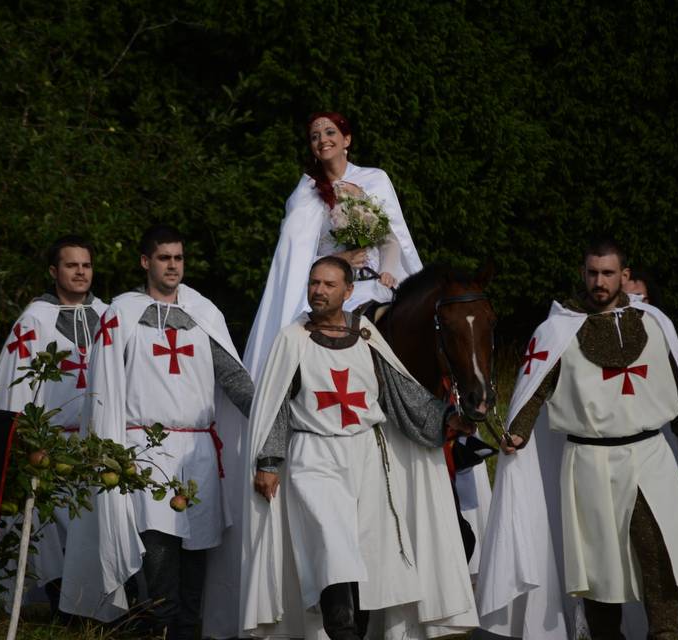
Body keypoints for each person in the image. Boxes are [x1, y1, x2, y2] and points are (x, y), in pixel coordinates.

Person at [476, 239, 678, 639]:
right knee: (597, 566)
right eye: (592, 273)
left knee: (660, 554)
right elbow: (537, 385)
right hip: (588, 462)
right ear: (582, 274)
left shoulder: (655, 323)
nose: (599, 282)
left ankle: (666, 633)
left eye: (607, 273)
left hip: (649, 456)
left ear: (624, 275)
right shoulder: (558, 330)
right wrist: (517, 431)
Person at [240, 256, 479, 640]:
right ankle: (343, 633)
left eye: (329, 285)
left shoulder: (366, 335)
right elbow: (277, 405)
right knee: (333, 552)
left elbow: (400, 391)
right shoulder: (292, 339)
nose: (318, 290)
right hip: (313, 458)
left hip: (367, 458)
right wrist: (268, 460)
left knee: (366, 558)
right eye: (314, 283)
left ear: (348, 292)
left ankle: (358, 631)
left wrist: (445, 418)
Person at [58, 225, 254, 639]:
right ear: (146, 262)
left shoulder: (203, 314)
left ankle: (186, 631)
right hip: (144, 448)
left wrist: (275, 418)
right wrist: (109, 450)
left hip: (199, 452)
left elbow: (235, 381)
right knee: (158, 552)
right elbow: (104, 385)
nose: (173, 266)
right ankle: (158, 630)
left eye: (179, 258)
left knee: (197, 551)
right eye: (164, 258)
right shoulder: (122, 313)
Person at [243, 111, 424, 382]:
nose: (323, 139)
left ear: (346, 139)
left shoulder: (375, 179)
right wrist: (341, 259)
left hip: (373, 280)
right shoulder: (305, 192)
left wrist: (387, 271)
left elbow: (390, 237)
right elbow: (295, 255)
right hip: (328, 284)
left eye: (330, 133)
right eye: (315, 136)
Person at [0, 234, 107, 616]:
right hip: (50, 442)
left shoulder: (108, 315)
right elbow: (14, 380)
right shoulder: (35, 319)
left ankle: (97, 606)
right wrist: (20, 436)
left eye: (85, 265)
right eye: (71, 265)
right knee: (52, 529)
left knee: (95, 527)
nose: (80, 272)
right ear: (54, 271)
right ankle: (63, 605)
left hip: (99, 441)